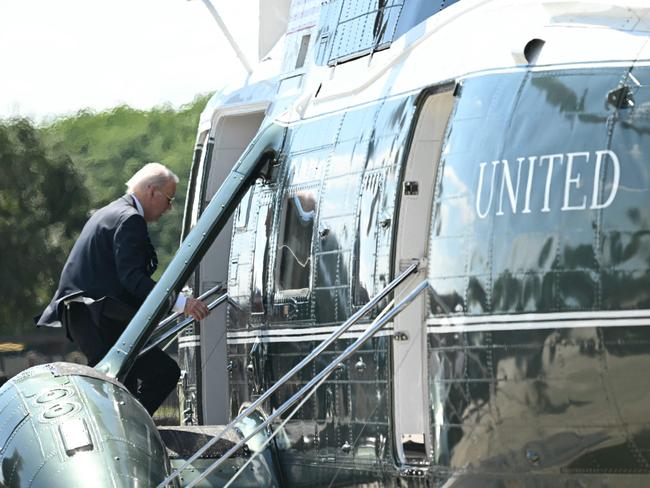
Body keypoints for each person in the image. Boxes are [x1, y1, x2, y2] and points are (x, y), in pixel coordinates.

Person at [36, 162, 209, 415]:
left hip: (87, 315)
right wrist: (182, 304)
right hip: (97, 316)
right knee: (159, 374)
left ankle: (125, 425)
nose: (169, 208)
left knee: (125, 383)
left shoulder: (112, 212)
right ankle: (129, 428)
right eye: (169, 199)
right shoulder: (130, 219)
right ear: (152, 191)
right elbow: (132, 279)